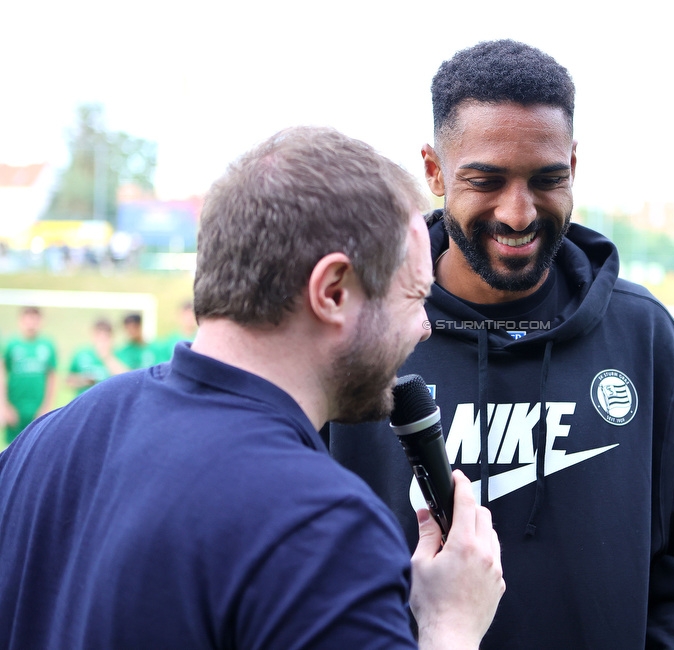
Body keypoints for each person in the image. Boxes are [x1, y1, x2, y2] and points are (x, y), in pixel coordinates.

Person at [0, 126, 504, 649]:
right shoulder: (320, 529)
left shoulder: (42, 446)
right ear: (333, 291)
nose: (424, 325)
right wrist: (450, 625)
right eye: (414, 295)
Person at [327, 39, 674, 648]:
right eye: (486, 180)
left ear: (573, 166)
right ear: (434, 170)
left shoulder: (644, 336)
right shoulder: (357, 335)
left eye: (546, 179)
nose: (518, 213)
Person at [2, 306, 57, 445]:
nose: (31, 323)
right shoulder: (11, 345)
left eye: (35, 319)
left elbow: (52, 378)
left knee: (37, 448)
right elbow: (2, 375)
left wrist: (47, 407)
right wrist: (4, 406)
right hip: (15, 409)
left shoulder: (47, 345)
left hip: (38, 410)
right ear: (21, 320)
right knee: (11, 451)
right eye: (28, 319)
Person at [65, 318, 127, 395]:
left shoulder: (119, 354)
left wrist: (107, 357)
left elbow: (125, 379)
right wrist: (84, 381)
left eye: (106, 337)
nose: (102, 340)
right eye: (99, 336)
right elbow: (69, 380)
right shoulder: (82, 353)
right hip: (85, 402)